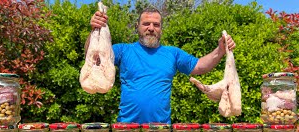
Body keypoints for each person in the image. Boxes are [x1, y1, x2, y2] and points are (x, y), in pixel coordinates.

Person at [86, 7, 236, 124]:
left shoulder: (172, 53)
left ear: (161, 29)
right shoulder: (124, 50)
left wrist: (220, 50)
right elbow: (92, 56)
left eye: (156, 25)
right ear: (137, 26)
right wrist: (95, 29)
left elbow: (200, 66)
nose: (151, 28)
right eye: (146, 24)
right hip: (127, 129)